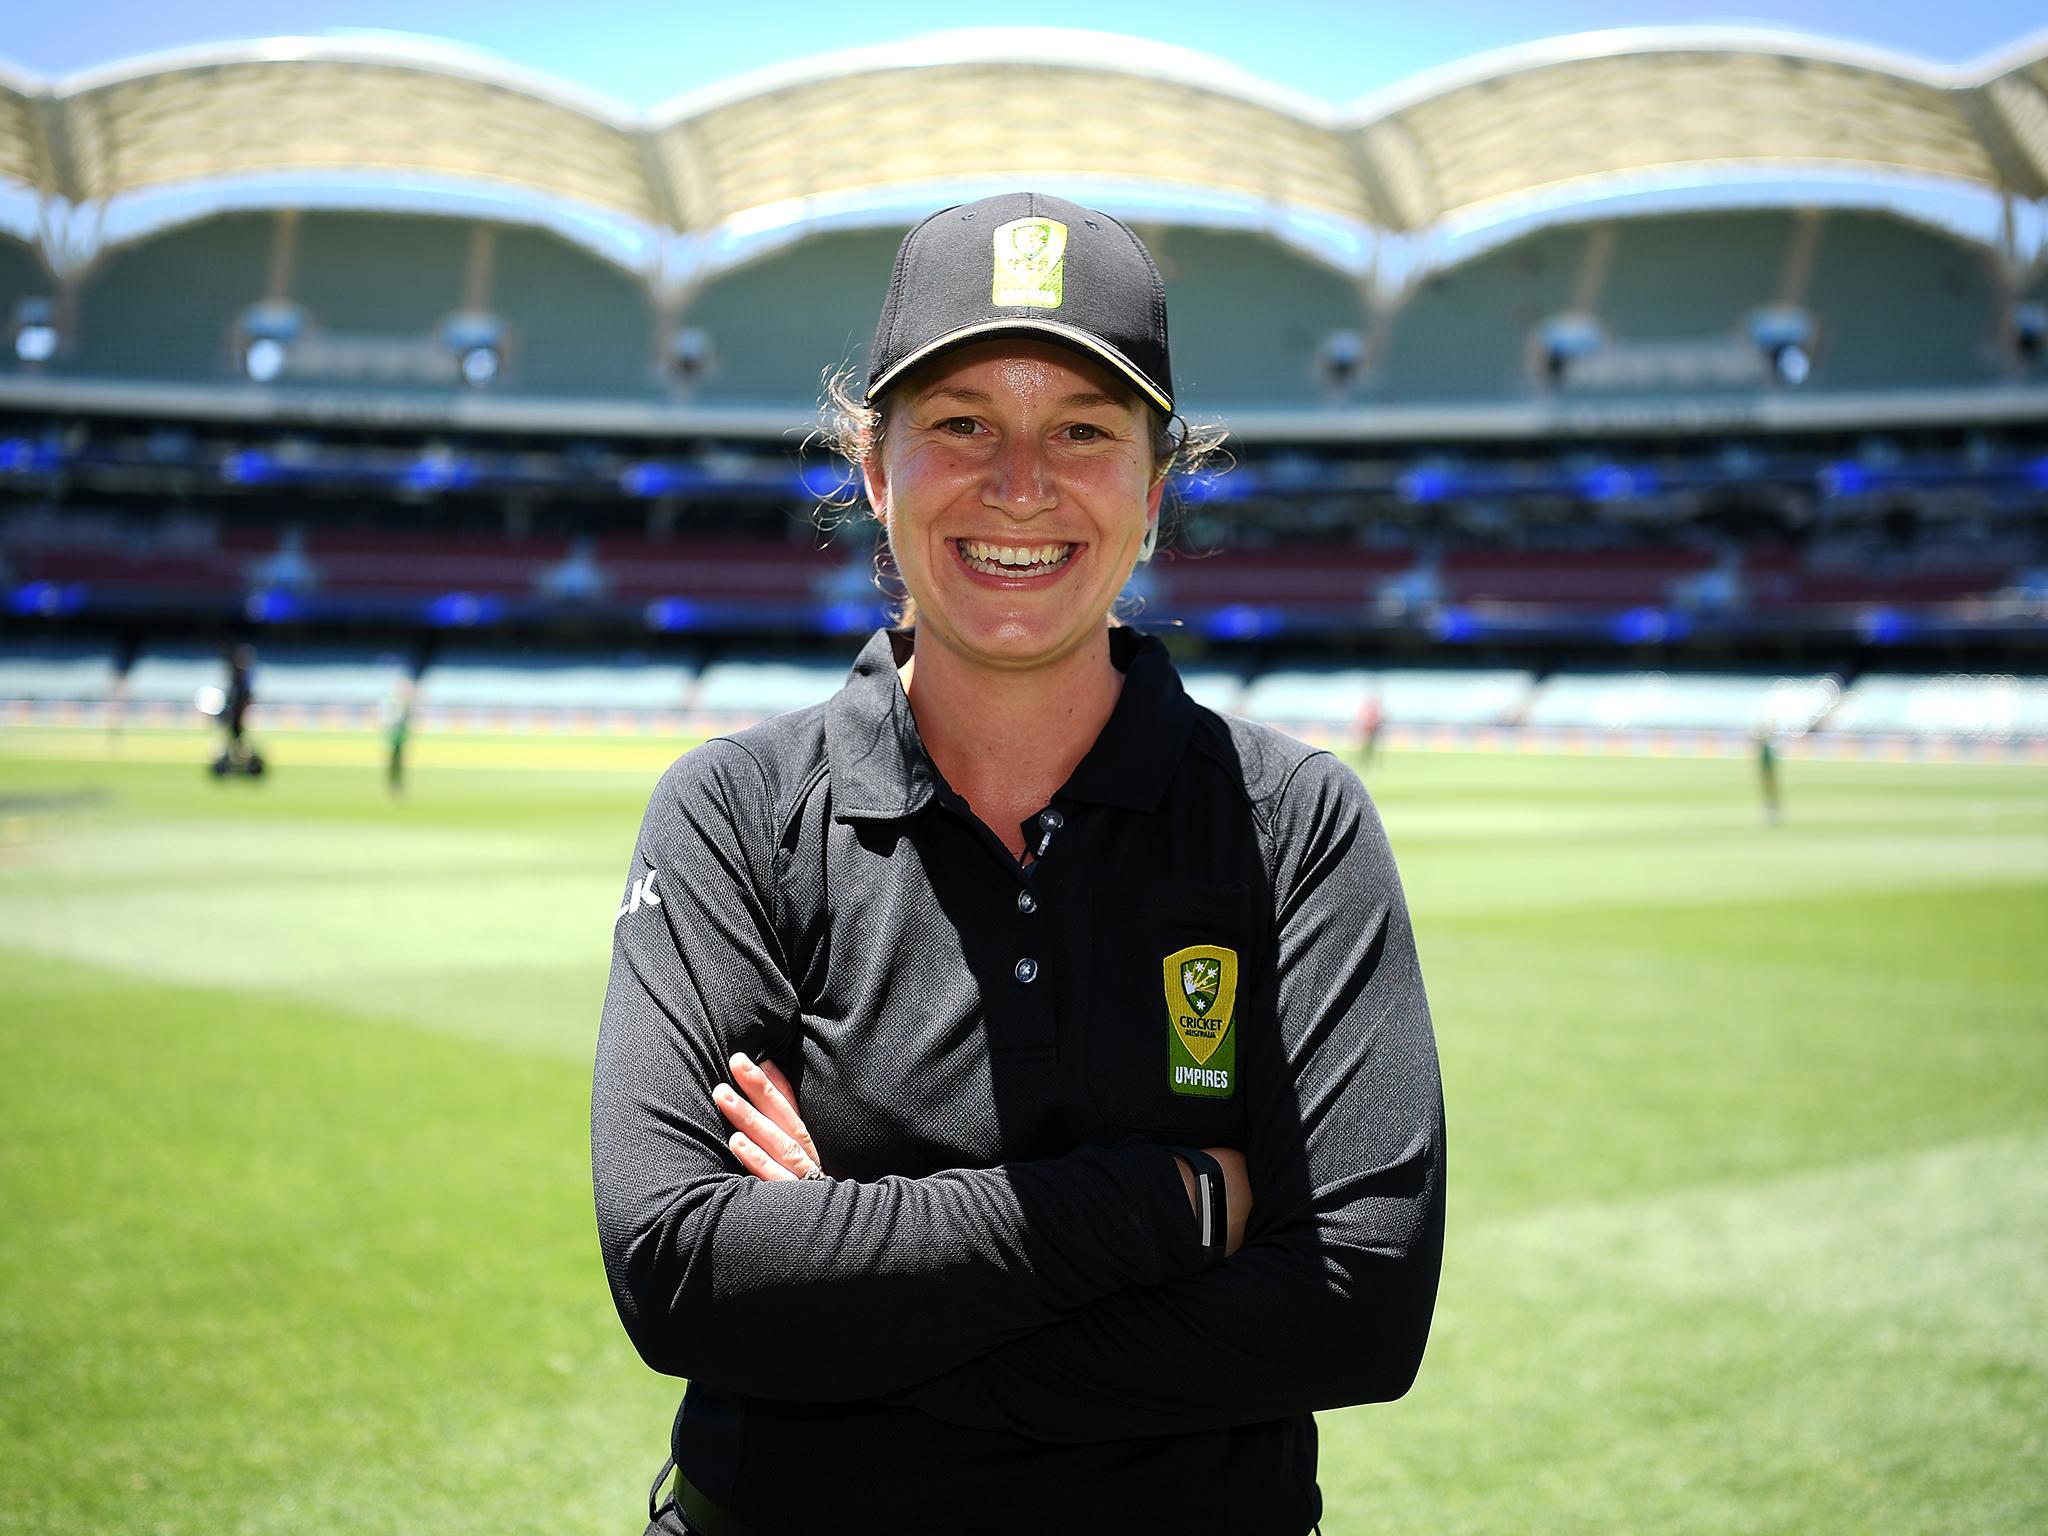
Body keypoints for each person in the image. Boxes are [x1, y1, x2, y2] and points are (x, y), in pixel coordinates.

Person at [592, 192, 1446, 1536]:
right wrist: (1166, 1202)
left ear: (1154, 494)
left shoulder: (1293, 825)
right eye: (961, 423)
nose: (1021, 484)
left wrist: (847, 1283)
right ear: (876, 466)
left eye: (1085, 431)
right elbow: (682, 1269)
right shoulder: (735, 814)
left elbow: (1360, 1310)